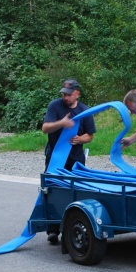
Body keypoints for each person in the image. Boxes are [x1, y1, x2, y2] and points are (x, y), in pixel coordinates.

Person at [41, 79, 96, 244]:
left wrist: (80, 139)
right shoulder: (55, 106)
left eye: (69, 94)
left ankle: (73, 225)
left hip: (76, 159)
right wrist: (61, 123)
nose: (65, 97)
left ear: (77, 93)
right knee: (53, 189)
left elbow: (90, 136)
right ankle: (52, 229)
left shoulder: (84, 110)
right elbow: (45, 128)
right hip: (56, 157)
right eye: (64, 94)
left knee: (76, 191)